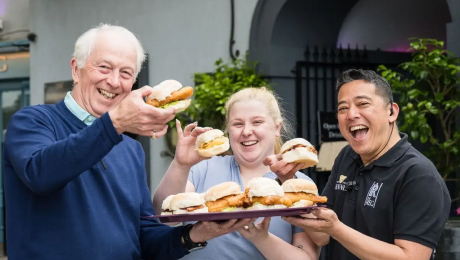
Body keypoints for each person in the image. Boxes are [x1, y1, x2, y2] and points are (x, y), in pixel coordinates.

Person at [3, 24, 253, 260]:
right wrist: (115, 123)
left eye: (126, 73)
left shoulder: (130, 148)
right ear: (74, 69)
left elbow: (145, 238)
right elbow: (41, 174)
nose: (114, 81)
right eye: (103, 67)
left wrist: (196, 234)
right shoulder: (32, 121)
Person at [278, 69, 451, 260]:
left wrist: (337, 229)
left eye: (363, 104)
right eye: (343, 108)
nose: (351, 114)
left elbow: (412, 257)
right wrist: (288, 182)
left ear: (391, 112)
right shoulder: (346, 156)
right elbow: (322, 236)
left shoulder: (418, 175)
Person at [153, 87, 320, 260]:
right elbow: (164, 215)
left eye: (257, 122)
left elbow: (307, 257)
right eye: (238, 124)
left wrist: (261, 239)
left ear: (277, 128)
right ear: (228, 130)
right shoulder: (204, 168)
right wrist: (180, 164)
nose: (246, 131)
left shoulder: (297, 185)